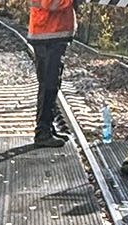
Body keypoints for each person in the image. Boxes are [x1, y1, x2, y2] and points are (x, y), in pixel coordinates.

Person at [28, 0, 74, 148]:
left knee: (52, 84)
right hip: (48, 33)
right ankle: (42, 133)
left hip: (51, 32)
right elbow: (51, 3)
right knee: (49, 85)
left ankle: (47, 127)